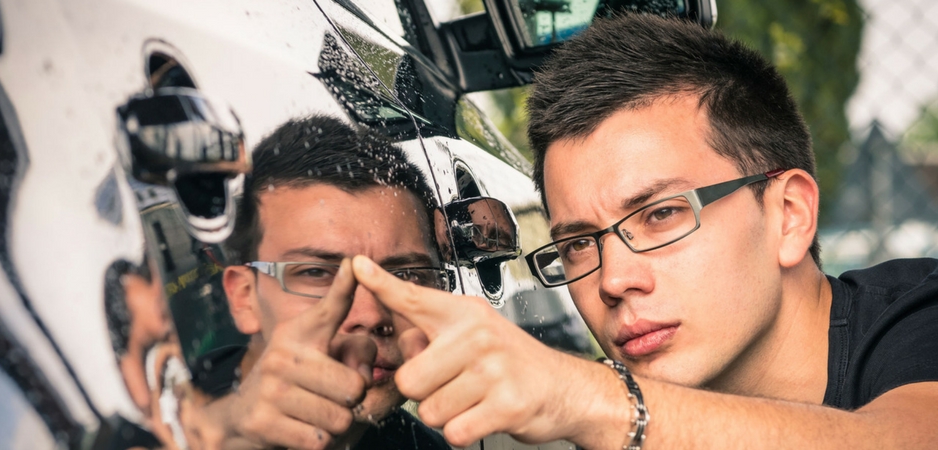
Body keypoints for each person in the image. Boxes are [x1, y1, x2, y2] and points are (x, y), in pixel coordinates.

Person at [347, 14, 938, 449]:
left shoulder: (920, 318)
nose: (613, 279)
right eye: (579, 244)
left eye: (661, 214)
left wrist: (589, 398)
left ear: (788, 215)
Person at [197, 115, 453, 450]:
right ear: (245, 297)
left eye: (404, 275)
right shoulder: (145, 418)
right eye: (317, 273)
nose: (370, 314)